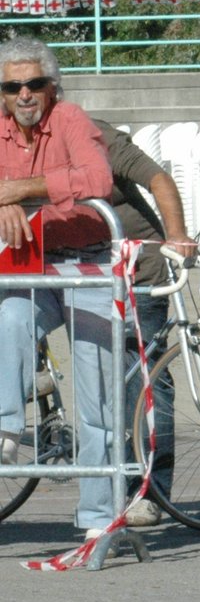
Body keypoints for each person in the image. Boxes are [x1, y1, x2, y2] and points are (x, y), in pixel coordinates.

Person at [0, 37, 119, 544]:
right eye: (12, 86)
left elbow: (98, 176)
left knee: (96, 399)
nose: (24, 94)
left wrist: (23, 190)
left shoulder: (70, 118)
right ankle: (8, 427)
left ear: (51, 87)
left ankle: (97, 519)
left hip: (88, 263)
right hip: (32, 265)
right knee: (9, 320)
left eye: (34, 84)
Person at [93, 120, 196, 528]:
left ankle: (150, 491)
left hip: (138, 272)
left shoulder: (97, 136)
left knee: (144, 382)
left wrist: (177, 234)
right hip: (79, 272)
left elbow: (158, 179)